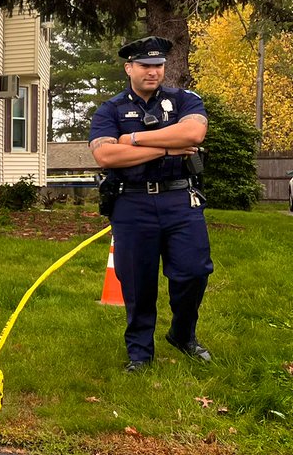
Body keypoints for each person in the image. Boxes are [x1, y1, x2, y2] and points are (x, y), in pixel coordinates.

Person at [88, 35, 213, 372]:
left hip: (180, 200)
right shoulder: (109, 109)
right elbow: (105, 154)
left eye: (158, 65)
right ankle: (140, 353)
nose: (153, 71)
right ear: (129, 67)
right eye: (145, 65)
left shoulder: (185, 99)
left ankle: (182, 333)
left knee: (193, 272)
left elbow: (193, 136)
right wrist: (168, 147)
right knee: (137, 282)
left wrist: (133, 139)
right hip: (132, 203)